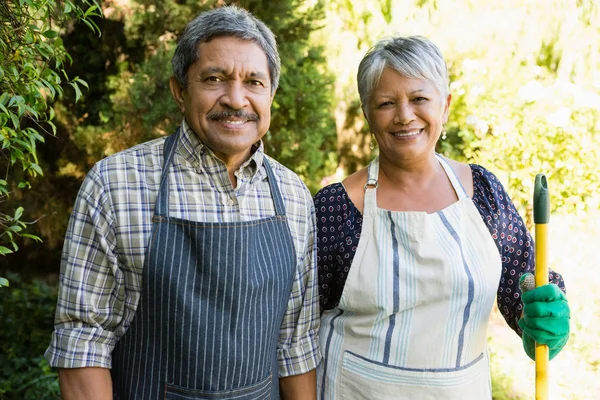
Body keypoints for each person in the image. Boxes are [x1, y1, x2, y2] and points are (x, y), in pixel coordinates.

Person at [45, 6, 320, 399]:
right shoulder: (115, 184)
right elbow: (83, 342)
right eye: (214, 79)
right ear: (179, 91)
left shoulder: (293, 195)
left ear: (271, 93)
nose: (236, 99)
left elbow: (296, 344)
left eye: (254, 82)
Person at [314, 36, 570, 399]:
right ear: (367, 114)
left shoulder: (482, 191)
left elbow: (523, 280)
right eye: (386, 103)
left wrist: (541, 316)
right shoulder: (336, 208)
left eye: (419, 99)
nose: (404, 116)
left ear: (445, 105)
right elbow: (297, 330)